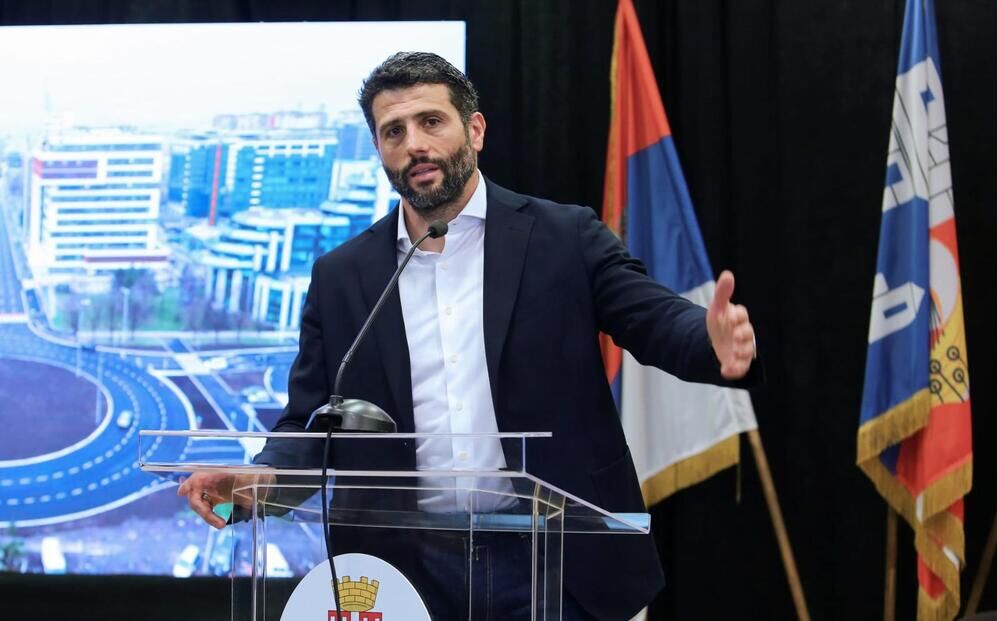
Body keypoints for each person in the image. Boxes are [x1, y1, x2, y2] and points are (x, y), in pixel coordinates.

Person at [179, 51, 759, 620]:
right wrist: (264, 479)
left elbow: (655, 321)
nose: (414, 144)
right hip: (406, 569)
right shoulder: (343, 276)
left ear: (475, 130)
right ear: (379, 149)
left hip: (557, 559)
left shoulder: (564, 237)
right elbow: (311, 424)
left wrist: (708, 341)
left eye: (431, 121)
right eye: (393, 131)